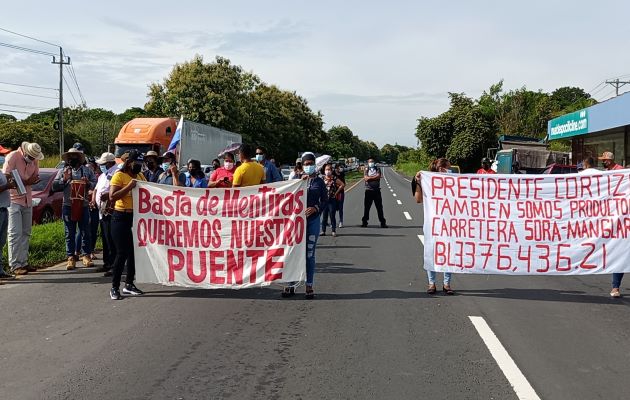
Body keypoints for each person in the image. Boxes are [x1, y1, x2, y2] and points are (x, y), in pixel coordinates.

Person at [282, 152, 326, 299]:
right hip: (295, 223)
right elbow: (285, 197)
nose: (308, 166)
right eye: (305, 164)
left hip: (312, 221)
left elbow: (325, 201)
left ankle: (309, 285)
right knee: (292, 252)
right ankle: (290, 284)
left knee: (309, 255)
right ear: (301, 165)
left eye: (310, 164)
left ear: (314, 164)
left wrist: (315, 208)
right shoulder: (295, 180)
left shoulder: (319, 182)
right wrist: (300, 181)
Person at [414, 158, 455, 295]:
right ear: (441, 169)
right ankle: (431, 283)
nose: (450, 170)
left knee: (448, 253)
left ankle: (447, 283)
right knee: (431, 252)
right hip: (432, 224)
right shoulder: (427, 182)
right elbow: (418, 200)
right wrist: (419, 182)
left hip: (450, 223)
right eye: (448, 167)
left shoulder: (453, 182)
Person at [108, 150, 146, 300]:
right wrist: (129, 187)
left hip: (135, 217)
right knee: (122, 253)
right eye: (137, 163)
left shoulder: (140, 176)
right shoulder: (119, 175)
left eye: (141, 164)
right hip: (120, 217)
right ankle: (114, 287)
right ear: (129, 162)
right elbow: (112, 196)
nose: (139, 166)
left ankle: (129, 283)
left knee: (133, 253)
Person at [2, 142, 43, 275]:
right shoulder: (13, 156)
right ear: (25, 151)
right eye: (30, 157)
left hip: (27, 199)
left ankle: (23, 262)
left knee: (26, 232)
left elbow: (36, 176)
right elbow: (6, 176)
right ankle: (14, 264)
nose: (32, 160)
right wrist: (25, 182)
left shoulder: (35, 160)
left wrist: (28, 181)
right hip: (14, 199)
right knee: (15, 233)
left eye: (34, 158)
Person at [53, 148, 97, 270]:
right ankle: (70, 257)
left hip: (83, 204)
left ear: (79, 159)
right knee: (69, 232)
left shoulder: (87, 170)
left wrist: (88, 183)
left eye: (74, 157)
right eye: (70, 157)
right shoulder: (62, 171)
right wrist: (64, 179)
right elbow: (54, 186)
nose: (71, 159)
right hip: (68, 205)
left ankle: (86, 255)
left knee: (85, 231)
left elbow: (94, 182)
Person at [597, 152, 625, 297]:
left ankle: (616, 287)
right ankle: (616, 287)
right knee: (618, 252)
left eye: (604, 160)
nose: (602, 162)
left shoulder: (621, 172)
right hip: (613, 218)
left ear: (608, 161)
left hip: (622, 217)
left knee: (621, 253)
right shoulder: (606, 174)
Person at [93, 152, 117, 275]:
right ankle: (107, 263)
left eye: (103, 164)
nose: (101, 166)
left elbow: (116, 189)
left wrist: (108, 195)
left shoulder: (116, 173)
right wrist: (93, 200)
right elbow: (97, 189)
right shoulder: (103, 175)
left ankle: (114, 265)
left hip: (111, 210)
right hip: (101, 211)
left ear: (109, 163)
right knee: (105, 238)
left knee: (111, 239)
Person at [361, 158, 387, 228]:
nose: (371, 163)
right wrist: (374, 177)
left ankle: (382, 222)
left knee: (379, 207)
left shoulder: (377, 168)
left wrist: (370, 178)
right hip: (368, 191)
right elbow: (366, 178)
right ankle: (364, 222)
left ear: (374, 162)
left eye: (372, 161)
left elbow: (378, 176)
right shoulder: (366, 169)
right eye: (369, 162)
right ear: (367, 163)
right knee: (367, 207)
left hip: (377, 191)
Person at [320, 163, 345, 237]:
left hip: (332, 199)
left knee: (332, 215)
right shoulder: (322, 179)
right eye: (326, 170)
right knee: (324, 216)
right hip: (324, 200)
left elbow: (342, 185)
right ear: (324, 171)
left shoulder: (334, 178)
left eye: (329, 169)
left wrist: (336, 193)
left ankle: (333, 231)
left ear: (331, 170)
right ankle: (323, 231)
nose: (328, 171)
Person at [0, 172, 16, 280]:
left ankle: (0, 271)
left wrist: (7, 176)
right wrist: (8, 186)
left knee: (1, 242)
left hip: (4, 209)